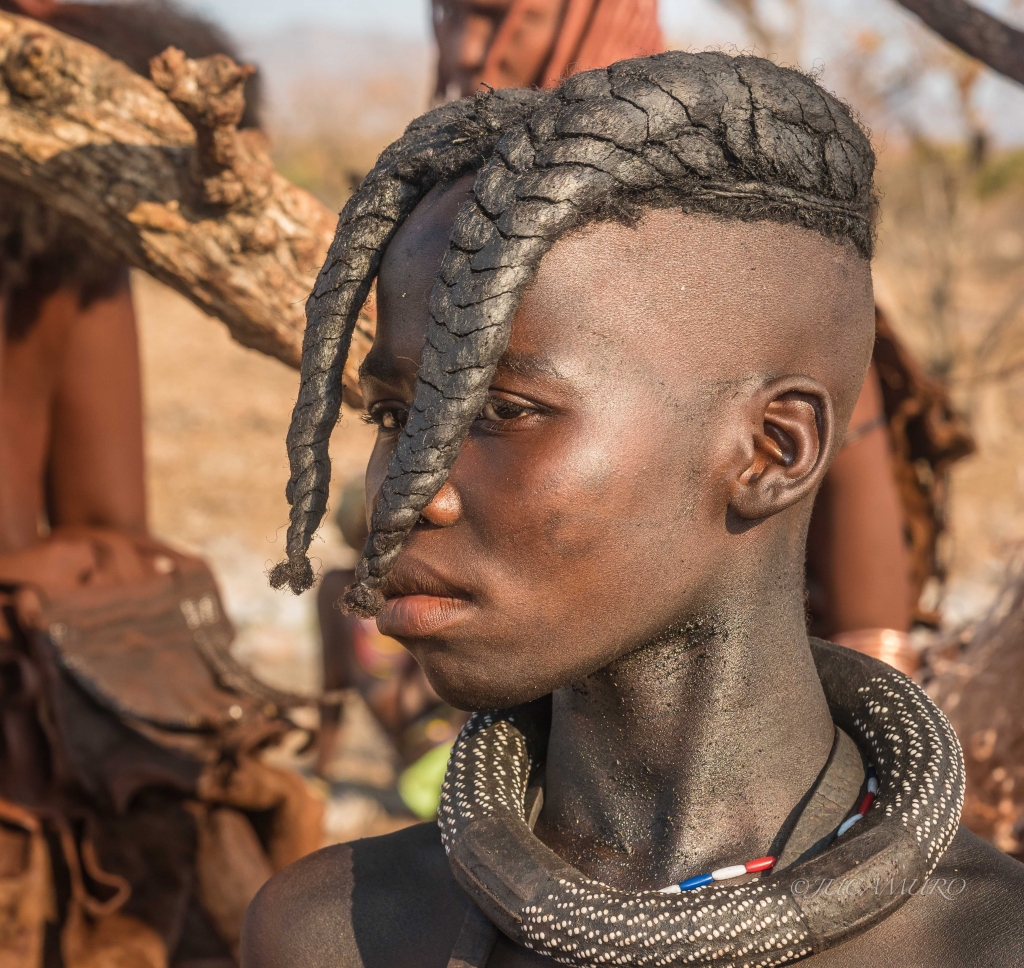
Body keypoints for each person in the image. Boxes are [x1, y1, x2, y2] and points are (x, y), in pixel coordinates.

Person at [250, 52, 1024, 966]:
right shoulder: (339, 935)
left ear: (774, 450)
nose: (406, 490)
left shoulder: (987, 943)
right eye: (392, 416)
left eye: (503, 412)